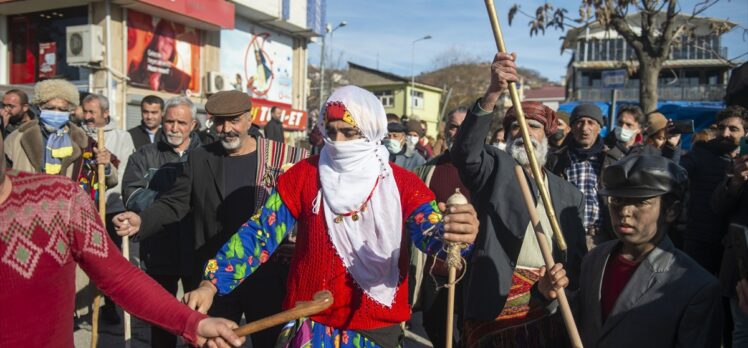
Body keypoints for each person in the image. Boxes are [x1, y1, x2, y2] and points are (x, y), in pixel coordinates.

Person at [180, 85, 479, 347]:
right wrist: (212, 283)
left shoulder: (403, 185)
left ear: (372, 130)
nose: (337, 142)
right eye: (330, 131)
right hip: (307, 323)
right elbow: (259, 233)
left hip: (375, 330)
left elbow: (431, 237)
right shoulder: (304, 176)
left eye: (349, 132)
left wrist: (456, 233)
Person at [0, 133, 244, 348]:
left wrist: (192, 324)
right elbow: (146, 194)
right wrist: (143, 218)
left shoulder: (60, 198)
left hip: (192, 251)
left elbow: (120, 276)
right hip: (160, 246)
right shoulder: (145, 154)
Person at [112, 90, 307, 348]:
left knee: (269, 343)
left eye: (234, 120)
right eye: (219, 121)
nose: (226, 129)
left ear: (250, 119)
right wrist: (142, 220)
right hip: (213, 277)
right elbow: (175, 202)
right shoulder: (201, 158)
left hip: (266, 275)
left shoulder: (281, 159)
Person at [451, 53, 587, 348]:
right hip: (494, 298)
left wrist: (558, 285)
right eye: (516, 126)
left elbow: (575, 259)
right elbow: (465, 153)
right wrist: (493, 92)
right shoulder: (495, 168)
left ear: (547, 138)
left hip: (547, 304)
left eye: (533, 126)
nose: (523, 133)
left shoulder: (570, 194)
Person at [541, 155, 723, 347]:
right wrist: (552, 296)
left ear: (671, 211)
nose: (624, 211)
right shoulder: (595, 259)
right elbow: (583, 322)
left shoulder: (696, 287)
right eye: (617, 200)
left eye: (640, 202)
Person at [121, 96, 202, 348]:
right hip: (158, 247)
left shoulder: (207, 156)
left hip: (197, 248)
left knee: (198, 317)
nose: (174, 128)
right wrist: (175, 201)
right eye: (169, 121)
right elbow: (133, 197)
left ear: (193, 125)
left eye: (181, 122)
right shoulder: (144, 156)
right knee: (162, 319)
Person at [411, 106, 472, 347]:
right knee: (436, 333)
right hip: (435, 273)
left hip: (473, 275)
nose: (458, 132)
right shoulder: (426, 171)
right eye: (453, 127)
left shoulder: (492, 171)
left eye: (465, 126)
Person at [80, 93, 136, 322]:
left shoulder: (122, 137)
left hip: (112, 206)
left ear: (105, 113)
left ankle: (112, 305)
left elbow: (124, 173)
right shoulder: (78, 135)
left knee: (111, 260)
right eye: (85, 111)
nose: (87, 116)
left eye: (92, 112)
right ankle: (84, 306)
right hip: (84, 208)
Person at [680, 105, 748, 275]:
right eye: (721, 128)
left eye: (733, 129)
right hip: (701, 241)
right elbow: (678, 171)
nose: (725, 134)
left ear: (745, 133)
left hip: (734, 246)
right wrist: (671, 149)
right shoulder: (702, 153)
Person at [547, 103, 609, 249]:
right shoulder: (557, 160)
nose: (584, 128)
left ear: (599, 127)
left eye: (591, 122)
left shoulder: (610, 159)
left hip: (601, 238)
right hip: (567, 236)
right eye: (579, 122)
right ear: (572, 127)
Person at [713, 149, 748, 347]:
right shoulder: (738, 167)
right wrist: (735, 182)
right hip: (739, 267)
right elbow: (717, 207)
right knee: (740, 332)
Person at [128, 20, 191, 94]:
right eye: (163, 37)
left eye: (170, 43)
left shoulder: (181, 79)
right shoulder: (136, 72)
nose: (166, 44)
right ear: (156, 39)